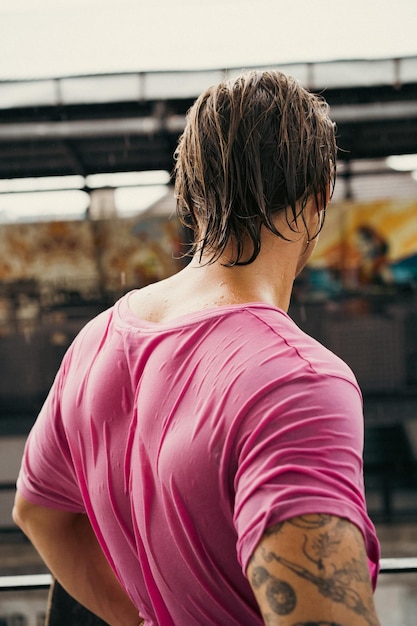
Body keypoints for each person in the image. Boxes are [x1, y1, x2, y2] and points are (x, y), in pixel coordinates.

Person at [13, 69, 381, 626]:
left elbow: (39, 513)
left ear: (191, 192)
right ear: (319, 196)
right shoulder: (297, 380)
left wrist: (137, 616)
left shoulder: (97, 340)